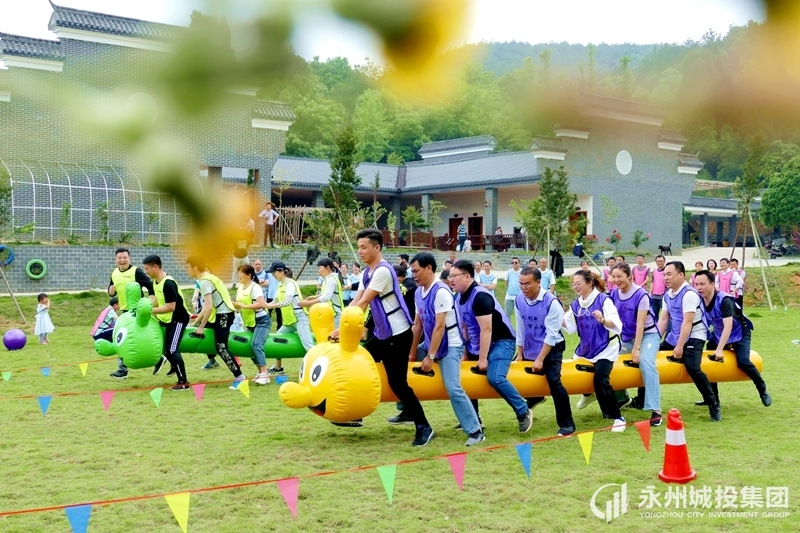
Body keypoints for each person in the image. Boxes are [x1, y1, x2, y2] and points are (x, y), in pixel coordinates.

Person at [335, 229, 435, 445]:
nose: (360, 251)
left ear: (377, 247)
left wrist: (344, 330)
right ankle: (356, 412)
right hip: (382, 334)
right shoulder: (366, 273)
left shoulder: (382, 271)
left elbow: (363, 303)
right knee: (356, 364)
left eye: (364, 247)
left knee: (398, 384)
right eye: (359, 247)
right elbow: (356, 301)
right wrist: (341, 325)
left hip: (398, 335)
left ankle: (423, 426)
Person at [407, 252, 485, 446]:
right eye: (412, 272)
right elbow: (417, 325)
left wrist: (430, 356)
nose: (414, 275)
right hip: (431, 342)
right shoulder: (418, 293)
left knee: (453, 387)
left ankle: (476, 430)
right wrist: (412, 353)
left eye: (416, 271)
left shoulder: (441, 291)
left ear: (429, 268)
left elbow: (440, 328)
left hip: (450, 345)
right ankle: (406, 411)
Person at [451, 259, 533, 434]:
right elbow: (464, 328)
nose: (451, 280)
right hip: (477, 344)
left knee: (495, 378)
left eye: (454, 276)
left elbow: (486, 329)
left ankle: (523, 410)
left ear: (467, 276)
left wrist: (482, 359)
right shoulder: (459, 298)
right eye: (450, 276)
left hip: (502, 342)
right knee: (464, 378)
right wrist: (464, 353)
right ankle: (473, 419)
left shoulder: (480, 297)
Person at [694, 270, 771, 407]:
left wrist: (719, 349)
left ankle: (763, 390)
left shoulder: (724, 300)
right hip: (719, 333)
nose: (699, 287)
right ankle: (712, 399)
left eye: (702, 284)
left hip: (739, 332)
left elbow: (728, 326)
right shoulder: (698, 300)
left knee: (743, 362)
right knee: (708, 362)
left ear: (712, 284)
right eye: (697, 284)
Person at [563, 270, 627, 432]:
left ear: (590, 283)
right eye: (574, 284)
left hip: (606, 348)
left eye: (578, 283)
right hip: (586, 349)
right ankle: (588, 394)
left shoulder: (604, 300)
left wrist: (603, 320)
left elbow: (616, 324)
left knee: (601, 379)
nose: (575, 286)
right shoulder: (576, 304)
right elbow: (570, 326)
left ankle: (617, 418)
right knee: (574, 373)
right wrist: (554, 315)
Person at [515, 267, 576, 437]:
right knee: (516, 376)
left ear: (538, 282)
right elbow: (520, 328)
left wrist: (540, 359)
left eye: (527, 284)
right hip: (530, 345)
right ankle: (535, 397)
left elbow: (551, 334)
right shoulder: (519, 299)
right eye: (521, 284)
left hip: (552, 346)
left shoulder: (552, 302)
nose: (524, 288)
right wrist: (520, 353)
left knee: (554, 382)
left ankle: (567, 424)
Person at [657, 261, 720, 421]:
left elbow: (688, 322)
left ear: (681, 275)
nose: (665, 278)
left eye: (669, 274)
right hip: (675, 335)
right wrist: (654, 341)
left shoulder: (689, 294)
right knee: (649, 357)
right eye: (664, 275)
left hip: (694, 335)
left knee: (692, 367)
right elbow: (663, 320)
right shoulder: (667, 295)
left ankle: (713, 404)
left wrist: (679, 347)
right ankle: (641, 399)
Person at [610, 263, 662, 427]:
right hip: (626, 336)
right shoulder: (614, 293)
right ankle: (623, 398)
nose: (616, 280)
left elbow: (640, 324)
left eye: (620, 276)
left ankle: (656, 410)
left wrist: (636, 349)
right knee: (611, 363)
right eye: (614, 276)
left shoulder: (641, 295)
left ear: (630, 277)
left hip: (648, 335)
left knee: (646, 363)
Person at [185, 255, 246, 389]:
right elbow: (206, 307)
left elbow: (208, 307)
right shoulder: (208, 278)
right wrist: (195, 323)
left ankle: (240, 376)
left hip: (224, 315)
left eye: (188, 267)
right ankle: (212, 361)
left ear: (195, 267)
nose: (186, 270)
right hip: (218, 315)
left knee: (221, 346)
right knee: (207, 336)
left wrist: (201, 326)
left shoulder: (205, 281)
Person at [143, 255, 191, 391]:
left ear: (155, 267)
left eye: (147, 269)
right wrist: (143, 307)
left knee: (172, 349)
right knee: (165, 347)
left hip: (178, 319)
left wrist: (149, 311)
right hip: (166, 319)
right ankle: (174, 366)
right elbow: (157, 301)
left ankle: (183, 382)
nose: (146, 272)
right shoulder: (155, 282)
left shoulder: (168, 283)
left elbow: (170, 307)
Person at [108, 247, 154, 379]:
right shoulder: (114, 273)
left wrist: (151, 300)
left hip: (137, 312)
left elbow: (150, 285)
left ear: (129, 258)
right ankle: (122, 370)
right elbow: (112, 291)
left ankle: (123, 369)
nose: (122, 260)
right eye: (119, 258)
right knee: (122, 338)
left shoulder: (136, 271)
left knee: (130, 337)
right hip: (125, 311)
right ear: (115, 259)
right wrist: (111, 291)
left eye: (125, 257)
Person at [265, 262, 314, 374]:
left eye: (274, 272)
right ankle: (278, 367)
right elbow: (275, 300)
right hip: (289, 321)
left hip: (299, 318)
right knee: (276, 341)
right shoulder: (280, 284)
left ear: (281, 271)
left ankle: (322, 367)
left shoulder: (290, 283)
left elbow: (287, 301)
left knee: (308, 346)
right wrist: (265, 306)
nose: (273, 275)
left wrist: (270, 306)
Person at [233, 264, 271, 385]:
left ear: (249, 275)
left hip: (262, 320)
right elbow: (239, 304)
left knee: (256, 345)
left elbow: (261, 303)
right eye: (238, 273)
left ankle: (265, 374)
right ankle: (260, 372)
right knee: (249, 347)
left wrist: (244, 306)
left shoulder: (255, 287)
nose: (239, 275)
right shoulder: (240, 288)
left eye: (241, 273)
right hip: (249, 322)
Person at [300, 258, 344, 328]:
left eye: (320, 268)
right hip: (332, 314)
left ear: (327, 267)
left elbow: (326, 297)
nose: (318, 271)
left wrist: (308, 303)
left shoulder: (331, 279)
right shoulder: (328, 279)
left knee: (335, 335)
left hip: (336, 314)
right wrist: (314, 297)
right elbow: (328, 293)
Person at [231, 220, 251, 288]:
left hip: (244, 256)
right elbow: (233, 246)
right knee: (235, 270)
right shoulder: (235, 239)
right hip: (237, 256)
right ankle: (234, 283)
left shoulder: (246, 238)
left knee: (247, 269)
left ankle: (247, 281)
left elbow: (248, 244)